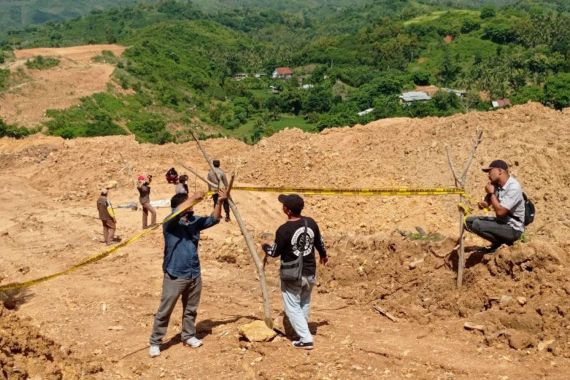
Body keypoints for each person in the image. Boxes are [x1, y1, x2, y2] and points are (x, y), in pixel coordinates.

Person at [149, 189, 228, 358]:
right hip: (175, 274)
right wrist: (193, 198)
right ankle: (156, 342)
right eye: (189, 204)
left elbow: (214, 219)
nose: (193, 208)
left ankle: (188, 335)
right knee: (165, 310)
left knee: (191, 309)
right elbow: (177, 211)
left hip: (194, 273)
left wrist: (219, 202)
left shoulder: (194, 221)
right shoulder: (170, 222)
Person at [262, 194, 328, 350]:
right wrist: (324, 255)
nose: (282, 206)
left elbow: (275, 252)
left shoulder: (283, 230)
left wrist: (265, 247)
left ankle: (305, 339)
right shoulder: (311, 223)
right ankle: (301, 333)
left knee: (292, 306)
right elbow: (319, 242)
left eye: (284, 204)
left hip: (292, 275)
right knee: (304, 302)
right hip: (310, 271)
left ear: (287, 210)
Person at [465, 159, 525, 252]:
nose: (488, 175)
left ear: (500, 171)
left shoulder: (514, 187)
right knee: (468, 222)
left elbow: (500, 212)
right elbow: (487, 203)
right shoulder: (497, 185)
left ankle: (501, 244)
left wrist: (491, 193)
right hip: (502, 223)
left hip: (513, 229)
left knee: (477, 224)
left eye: (490, 171)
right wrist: (484, 203)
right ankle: (498, 243)